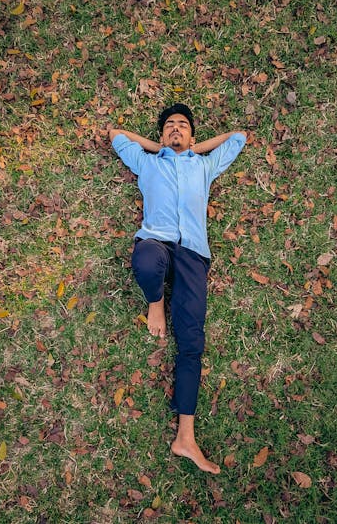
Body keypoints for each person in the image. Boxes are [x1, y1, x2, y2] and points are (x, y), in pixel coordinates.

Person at [109, 103, 246, 474]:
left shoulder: (204, 166)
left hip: (193, 255)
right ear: (159, 136)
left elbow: (238, 138)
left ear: (193, 136)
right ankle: (156, 303)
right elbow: (116, 136)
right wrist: (162, 149)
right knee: (145, 261)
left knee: (191, 343)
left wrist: (190, 150)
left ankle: (185, 437)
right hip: (156, 241)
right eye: (169, 126)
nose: (175, 129)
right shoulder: (148, 163)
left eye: (182, 126)